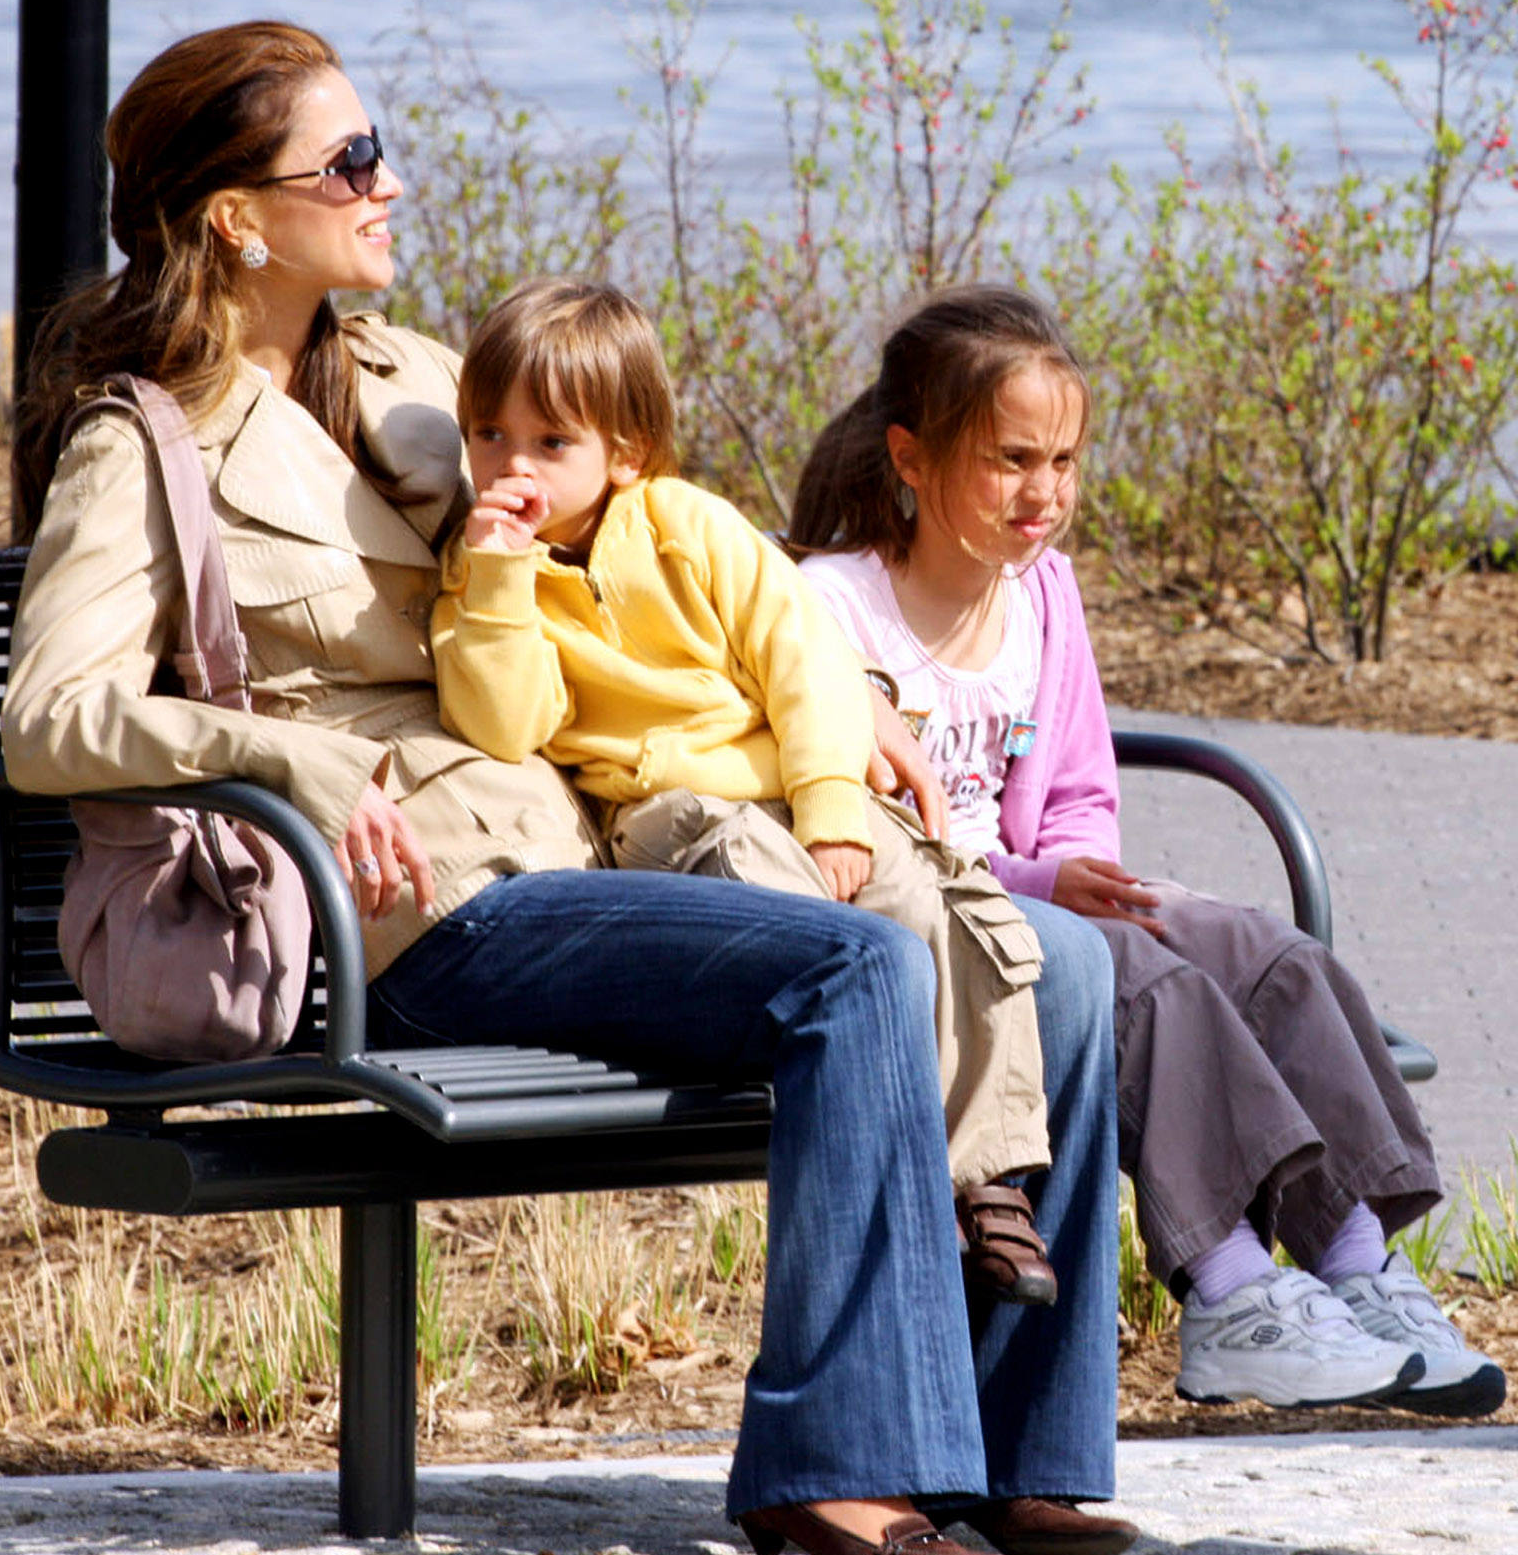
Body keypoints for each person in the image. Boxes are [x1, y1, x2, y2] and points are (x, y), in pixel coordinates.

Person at [0, 21, 1134, 1555]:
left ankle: (1021, 1463)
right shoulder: (148, 443)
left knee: (1061, 961)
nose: (387, 182)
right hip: (413, 902)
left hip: (594, 834)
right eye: (349, 162)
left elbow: (650, 547)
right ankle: (838, 1465)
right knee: (851, 967)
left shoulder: (422, 380)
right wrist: (295, 759)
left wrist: (839, 694)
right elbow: (49, 718)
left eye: (377, 144)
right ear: (239, 220)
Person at [789, 287, 1505, 1418]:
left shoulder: (1044, 594)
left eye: (1065, 460)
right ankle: (1228, 1295)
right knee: (1151, 987)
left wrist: (1089, 876)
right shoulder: (830, 610)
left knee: (1269, 954)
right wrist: (1049, 888)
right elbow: (872, 832)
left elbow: (1076, 790)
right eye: (1012, 459)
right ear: (911, 459)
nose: (1046, 492)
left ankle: (1358, 1264)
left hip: (1043, 896)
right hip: (938, 923)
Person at [428, 275, 1061, 1306]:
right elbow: (507, 724)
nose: (512, 466)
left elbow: (805, 660)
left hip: (790, 786)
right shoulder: (487, 578)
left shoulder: (686, 525)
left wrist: (831, 807)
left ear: (625, 452)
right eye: (489, 435)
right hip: (662, 812)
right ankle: (903, 1170)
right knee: (786, 902)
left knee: (935, 907)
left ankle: (985, 1179)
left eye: (551, 444)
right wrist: (496, 579)